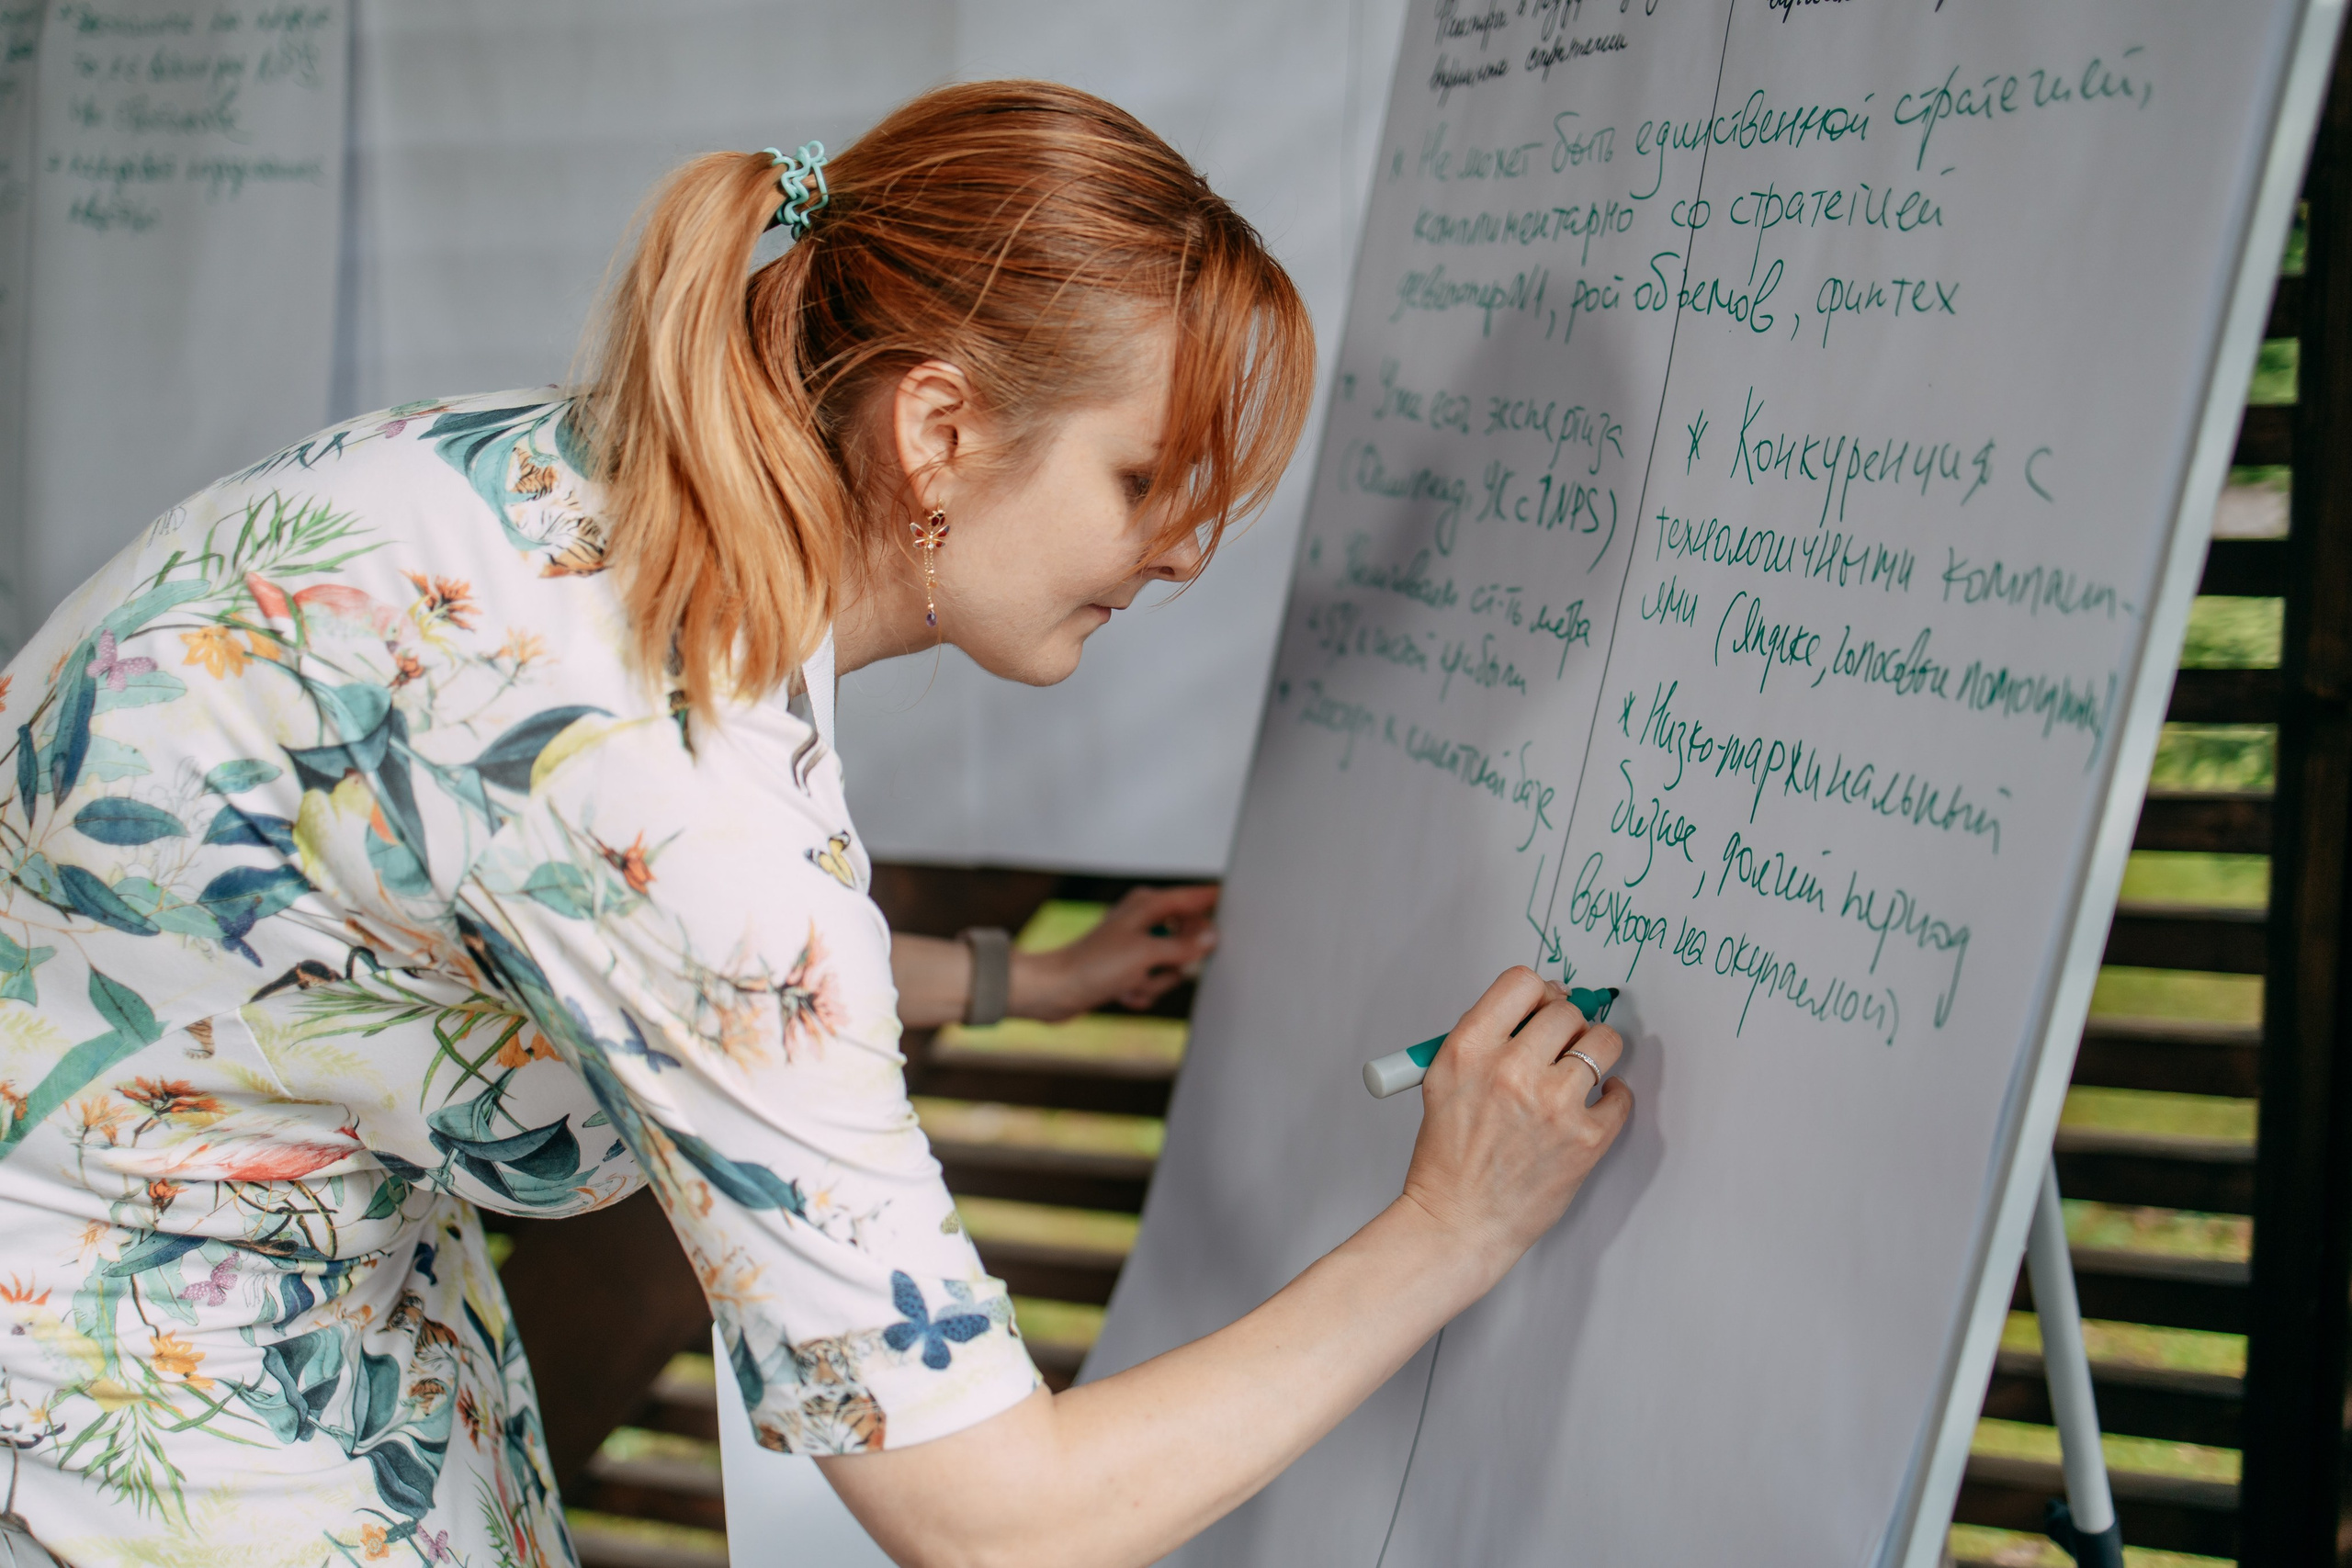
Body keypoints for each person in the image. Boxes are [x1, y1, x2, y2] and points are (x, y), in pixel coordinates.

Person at [0, 80, 1631, 1568]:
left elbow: (572, 918)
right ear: (936, 433)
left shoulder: (558, 491)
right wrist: (1450, 1226)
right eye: (1145, 481)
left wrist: (1011, 983)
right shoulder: (667, 781)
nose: (1186, 552)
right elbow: (1002, 1523)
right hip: (100, 1348)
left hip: (256, 1243)